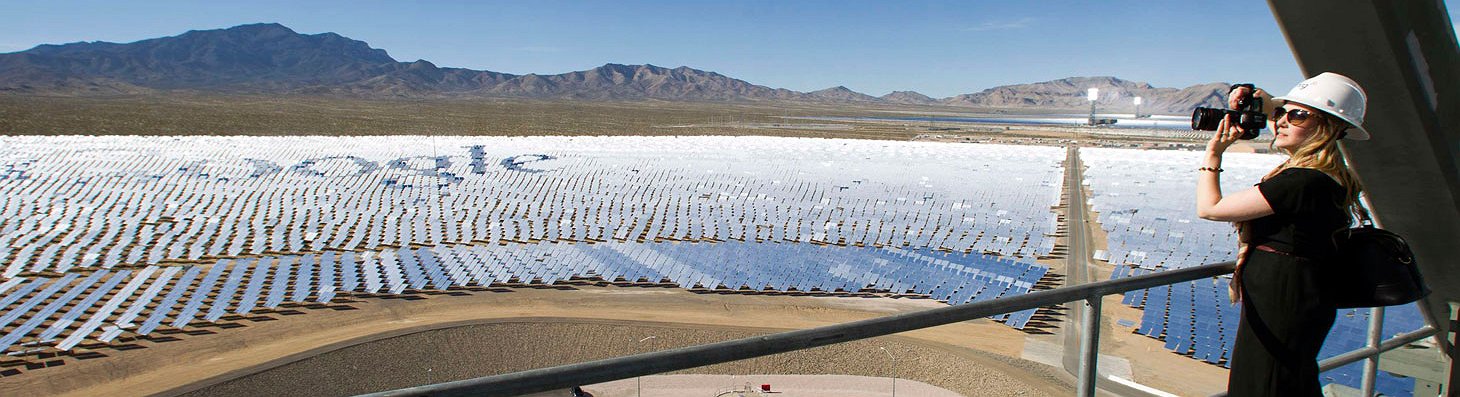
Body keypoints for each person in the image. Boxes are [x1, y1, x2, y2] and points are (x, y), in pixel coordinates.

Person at [1194, 72, 1371, 396]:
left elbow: (1210, 208)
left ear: (1328, 126)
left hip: (1282, 301)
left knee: (1265, 384)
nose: (1282, 121)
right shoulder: (1329, 176)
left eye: (1297, 115)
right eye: (1280, 114)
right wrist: (1251, 95)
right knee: (1287, 380)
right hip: (1294, 297)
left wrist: (1214, 154)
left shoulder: (1301, 182)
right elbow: (1282, 108)